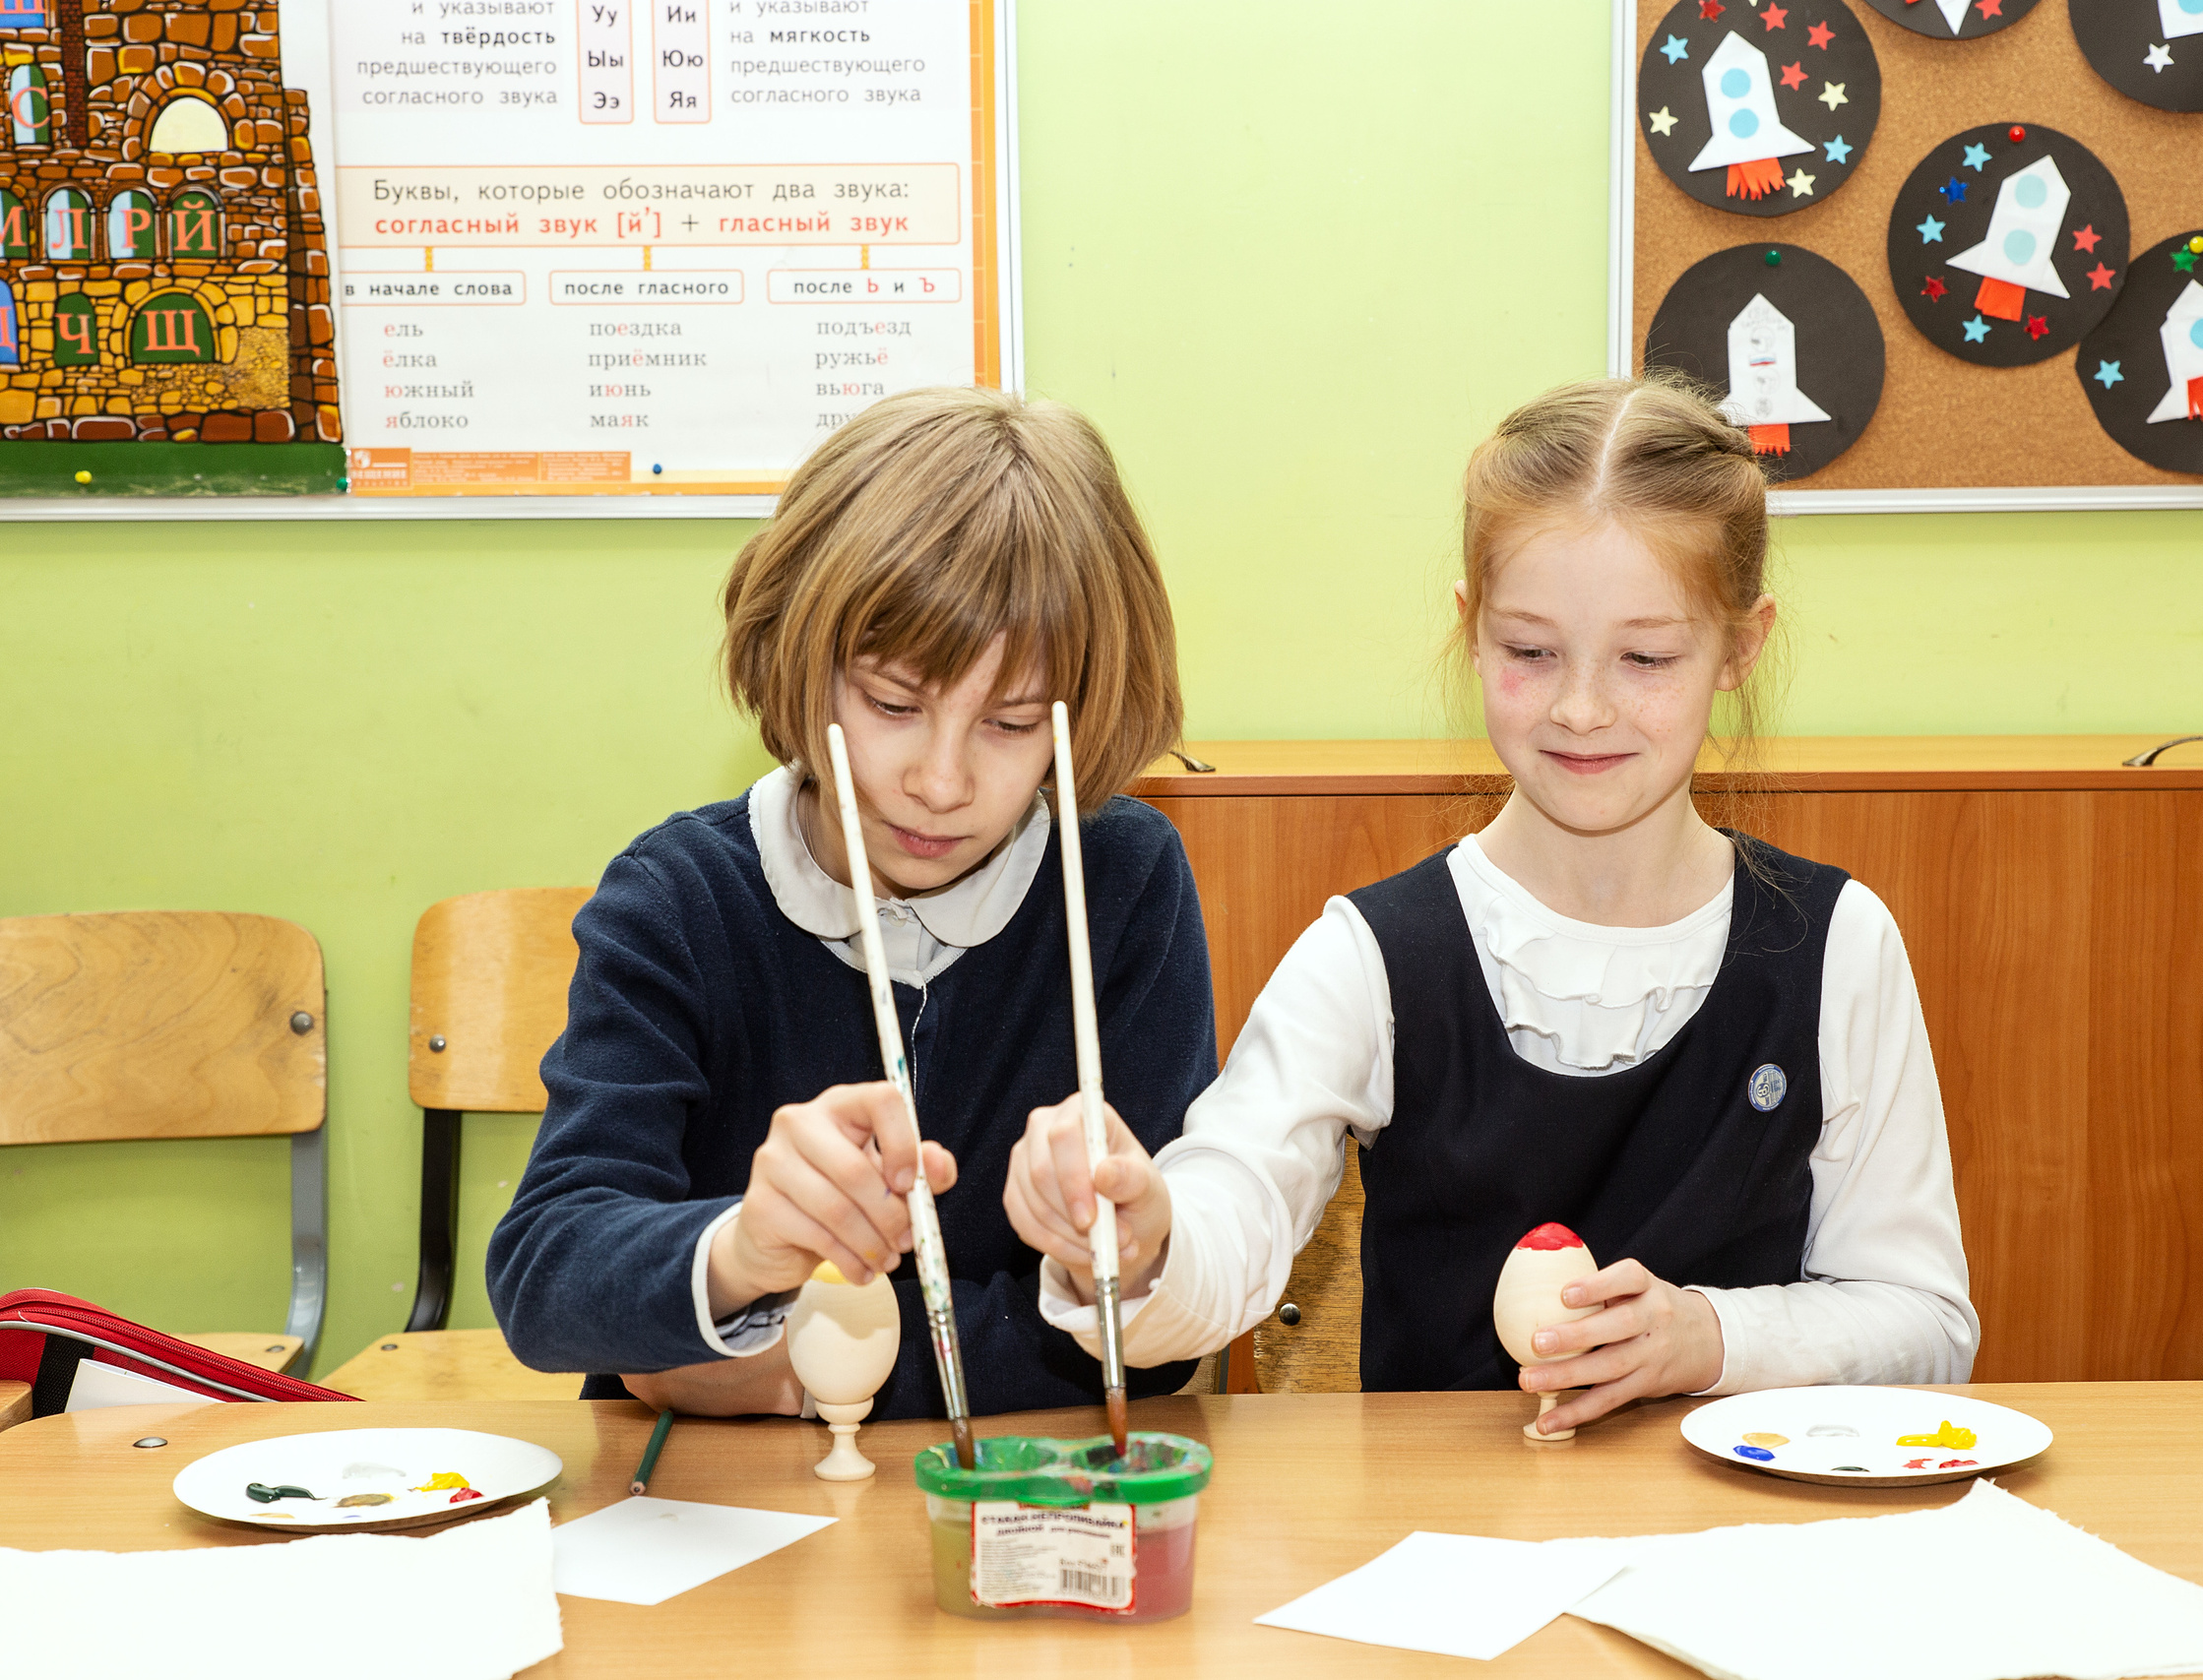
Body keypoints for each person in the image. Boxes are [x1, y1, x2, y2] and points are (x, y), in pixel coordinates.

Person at [1008, 374, 1976, 1431]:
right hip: (1445, 1558)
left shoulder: (1838, 944)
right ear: (1470, 630)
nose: (1580, 707)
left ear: (1740, 648)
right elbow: (1231, 1205)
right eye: (1528, 652)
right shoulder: (1369, 955)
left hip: (1738, 1546)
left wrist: (1708, 1336)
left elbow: (1925, 1322)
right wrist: (1149, 1240)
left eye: (1645, 657)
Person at [489, 386, 1217, 1419]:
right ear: (800, 656)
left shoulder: (1120, 883)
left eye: (1011, 725)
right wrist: (740, 1252)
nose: (942, 781)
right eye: (891, 704)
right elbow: (548, 1281)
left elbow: (1149, 1333)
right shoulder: (678, 901)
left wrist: (792, 1367)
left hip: (1026, 1496)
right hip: (718, 1516)